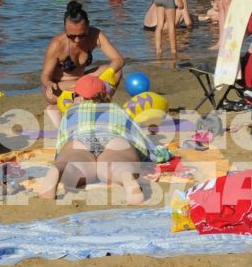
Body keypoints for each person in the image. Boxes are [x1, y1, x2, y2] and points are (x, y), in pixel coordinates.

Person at [36, 74, 170, 203]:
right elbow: (136, 136)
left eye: (74, 95)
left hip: (80, 140)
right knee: (117, 163)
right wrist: (157, 154)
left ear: (81, 98)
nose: (73, 99)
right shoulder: (116, 109)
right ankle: (125, 175)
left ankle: (58, 169)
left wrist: (60, 157)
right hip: (114, 139)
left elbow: (63, 139)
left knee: (73, 162)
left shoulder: (71, 112)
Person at [40, 2, 124, 105]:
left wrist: (105, 75)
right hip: (60, 88)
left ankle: (102, 104)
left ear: (88, 26)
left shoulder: (95, 35)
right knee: (81, 85)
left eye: (82, 35)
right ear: (65, 29)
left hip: (82, 80)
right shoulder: (57, 45)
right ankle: (86, 99)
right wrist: (48, 84)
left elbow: (118, 60)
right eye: (71, 36)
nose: (77, 40)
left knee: (116, 71)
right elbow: (45, 74)